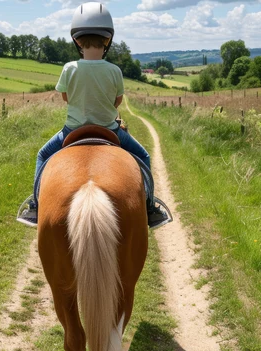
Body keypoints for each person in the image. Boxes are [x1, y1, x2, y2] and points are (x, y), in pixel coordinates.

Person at [17, 1, 170, 229]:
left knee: (42, 155)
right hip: (110, 129)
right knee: (145, 157)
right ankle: (149, 208)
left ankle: (36, 206)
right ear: (107, 41)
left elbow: (66, 98)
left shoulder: (69, 68)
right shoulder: (114, 71)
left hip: (72, 130)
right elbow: (117, 101)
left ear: (77, 40)